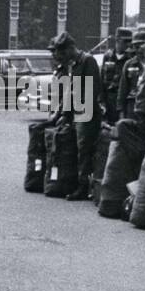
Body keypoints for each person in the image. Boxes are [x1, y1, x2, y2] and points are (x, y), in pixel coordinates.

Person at [48, 31, 104, 200]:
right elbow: (69, 90)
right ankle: (76, 183)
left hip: (86, 113)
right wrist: (65, 113)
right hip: (76, 113)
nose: (61, 56)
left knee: (84, 151)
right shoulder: (73, 64)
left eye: (63, 52)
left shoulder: (88, 61)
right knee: (76, 150)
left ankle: (83, 187)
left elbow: (91, 90)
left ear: (71, 48)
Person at [100, 26, 134, 125]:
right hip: (109, 99)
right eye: (126, 41)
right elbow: (101, 79)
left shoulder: (131, 59)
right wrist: (101, 101)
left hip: (124, 101)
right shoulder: (108, 56)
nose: (129, 44)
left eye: (130, 41)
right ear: (118, 40)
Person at [116, 29, 145, 120]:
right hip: (132, 106)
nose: (139, 50)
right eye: (136, 47)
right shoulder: (129, 64)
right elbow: (123, 89)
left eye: (142, 46)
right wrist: (121, 110)